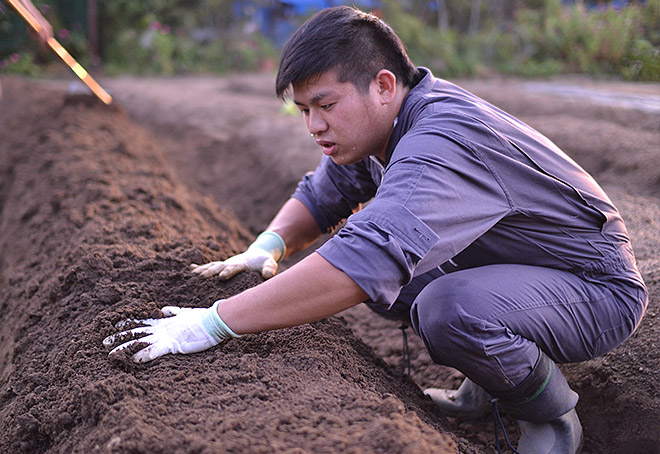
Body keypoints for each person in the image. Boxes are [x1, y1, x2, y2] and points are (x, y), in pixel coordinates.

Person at [103, 6, 648, 454]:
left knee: (445, 307)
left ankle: (554, 420)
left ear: (383, 85)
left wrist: (214, 324)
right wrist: (267, 246)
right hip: (522, 267)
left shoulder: (441, 140)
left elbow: (367, 258)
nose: (314, 125)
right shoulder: (383, 125)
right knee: (404, 286)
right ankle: (484, 386)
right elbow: (323, 194)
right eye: (303, 110)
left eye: (325, 105)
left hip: (593, 287)